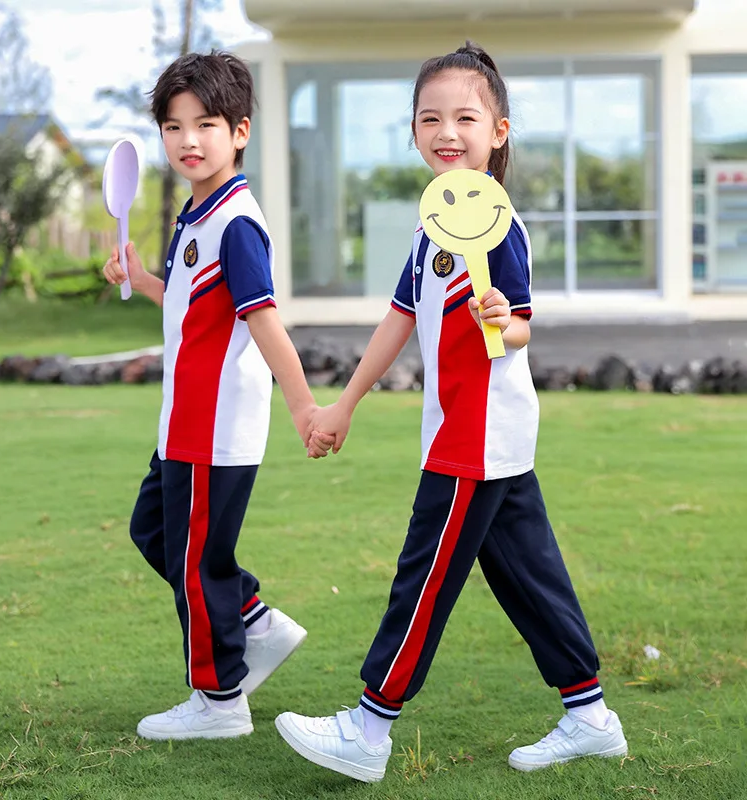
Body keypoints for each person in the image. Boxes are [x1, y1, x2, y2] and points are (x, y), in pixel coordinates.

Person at [274, 41, 628, 780]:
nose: (447, 131)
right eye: (430, 117)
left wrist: (502, 315)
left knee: (424, 576)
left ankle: (368, 729)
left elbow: (520, 329)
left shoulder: (499, 227)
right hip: (472, 435)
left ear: (499, 130)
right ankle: (591, 716)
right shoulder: (431, 226)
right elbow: (397, 321)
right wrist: (342, 405)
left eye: (466, 117)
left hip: (479, 436)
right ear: (412, 133)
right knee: (530, 576)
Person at [102, 50, 331, 741]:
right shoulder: (198, 215)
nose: (188, 140)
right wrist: (144, 279)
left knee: (196, 563)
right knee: (156, 533)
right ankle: (253, 619)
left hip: (215, 428)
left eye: (206, 123)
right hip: (183, 424)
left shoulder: (237, 225)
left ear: (240, 130)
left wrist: (304, 408)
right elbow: (196, 308)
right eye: (174, 127)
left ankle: (219, 700)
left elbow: (263, 321)